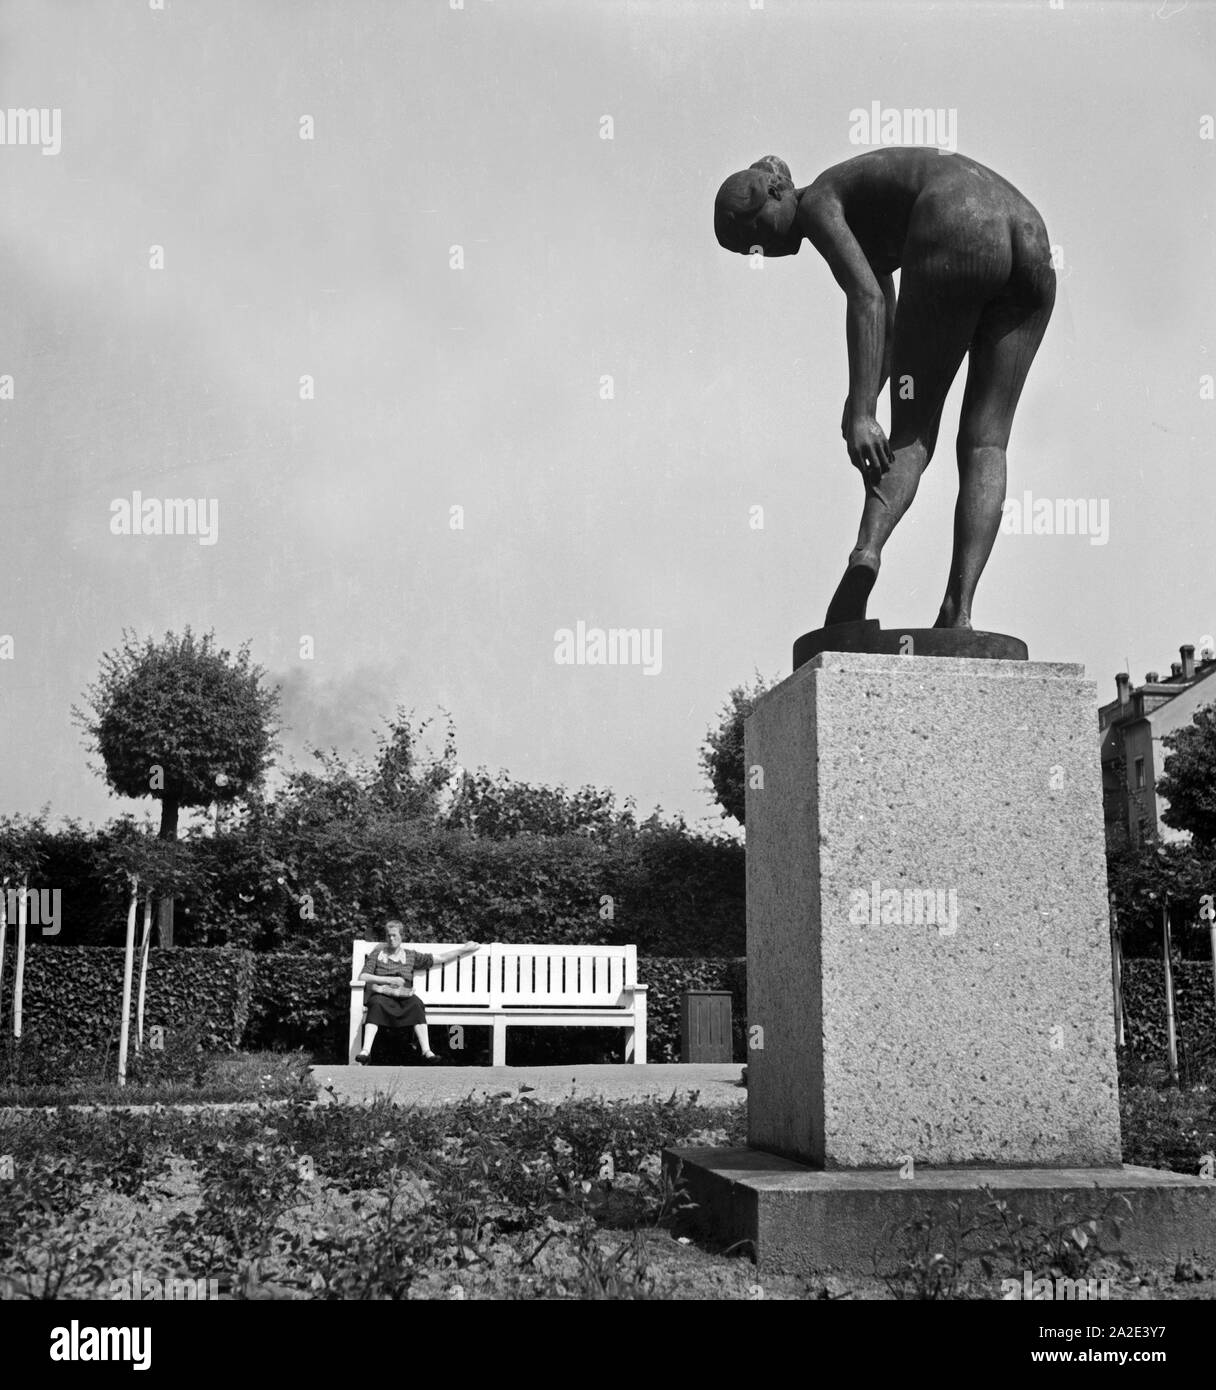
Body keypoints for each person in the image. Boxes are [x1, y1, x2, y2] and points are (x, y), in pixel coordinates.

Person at [714, 148, 1055, 631]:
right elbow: (889, 325)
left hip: (958, 220)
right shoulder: (861, 205)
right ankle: (958, 613)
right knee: (987, 442)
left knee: (912, 439)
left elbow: (866, 297)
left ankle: (865, 555)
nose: (761, 253)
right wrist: (863, 396)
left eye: (754, 237)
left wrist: (862, 415)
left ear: (775, 194)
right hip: (1031, 236)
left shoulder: (818, 202)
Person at [355, 920, 480, 1064]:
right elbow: (363, 976)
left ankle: (427, 1051)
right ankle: (365, 1051)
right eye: (388, 936)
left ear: (402, 937)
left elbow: (440, 958)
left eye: (394, 935)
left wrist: (464, 949)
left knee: (416, 1003)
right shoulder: (377, 954)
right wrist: (388, 980)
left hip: (403, 993)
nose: (391, 939)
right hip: (382, 993)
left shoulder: (410, 955)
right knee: (375, 1004)